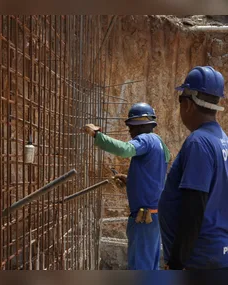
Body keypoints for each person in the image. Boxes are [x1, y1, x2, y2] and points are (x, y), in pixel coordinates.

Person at [84, 103, 170, 270]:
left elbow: (125, 150)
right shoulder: (159, 143)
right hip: (155, 216)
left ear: (143, 125)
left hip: (144, 218)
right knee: (151, 266)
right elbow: (156, 178)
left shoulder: (145, 139)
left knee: (140, 267)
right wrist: (130, 181)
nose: (130, 132)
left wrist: (97, 135)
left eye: (132, 127)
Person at [158, 66, 228, 270]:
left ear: (188, 104)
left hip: (199, 260)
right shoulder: (223, 141)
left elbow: (194, 207)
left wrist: (177, 262)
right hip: (217, 254)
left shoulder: (199, 143)